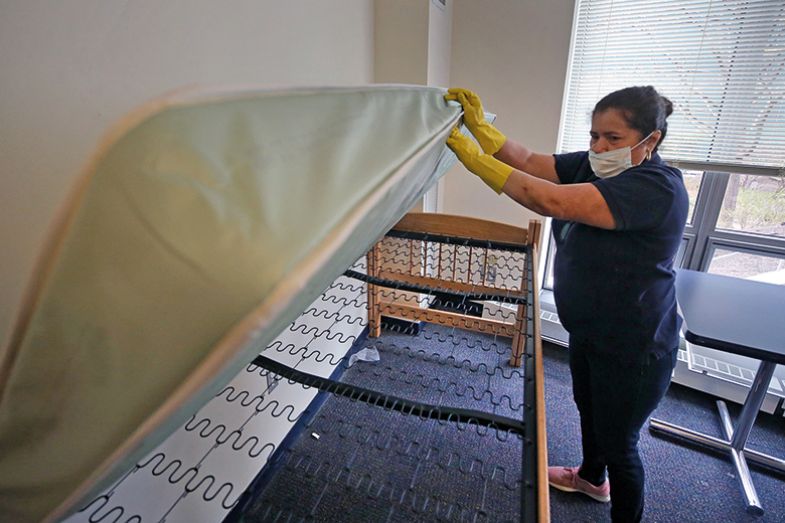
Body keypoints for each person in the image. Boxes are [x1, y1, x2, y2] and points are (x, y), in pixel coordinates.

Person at [445, 86, 688, 522]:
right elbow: (528, 162)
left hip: (635, 345)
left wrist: (475, 161)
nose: (598, 147)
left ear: (650, 140)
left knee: (621, 444)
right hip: (591, 328)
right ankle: (591, 480)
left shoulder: (655, 188)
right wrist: (481, 129)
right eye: (594, 135)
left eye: (612, 138)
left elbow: (549, 199)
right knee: (590, 412)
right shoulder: (596, 165)